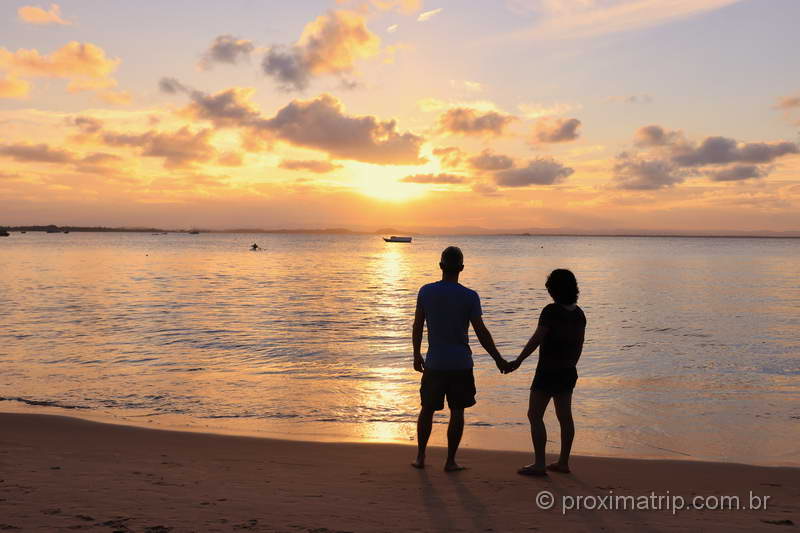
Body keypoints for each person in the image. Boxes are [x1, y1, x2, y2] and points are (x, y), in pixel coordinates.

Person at [411, 246, 508, 472]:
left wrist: (416, 354)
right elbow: (481, 332)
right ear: (461, 268)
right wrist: (498, 359)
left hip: (435, 363)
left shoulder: (426, 291)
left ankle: (420, 457)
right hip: (460, 364)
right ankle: (450, 461)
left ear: (441, 266)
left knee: (427, 409)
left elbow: (417, 326)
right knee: (457, 411)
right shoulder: (469, 296)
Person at [506, 269, 585, 476]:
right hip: (568, 370)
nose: (548, 290)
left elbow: (537, 338)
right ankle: (563, 462)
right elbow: (579, 345)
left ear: (555, 289)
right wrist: (571, 365)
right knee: (565, 417)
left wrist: (519, 360)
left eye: (550, 287)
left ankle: (540, 463)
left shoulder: (550, 311)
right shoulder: (579, 314)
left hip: (547, 371)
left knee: (535, 414)